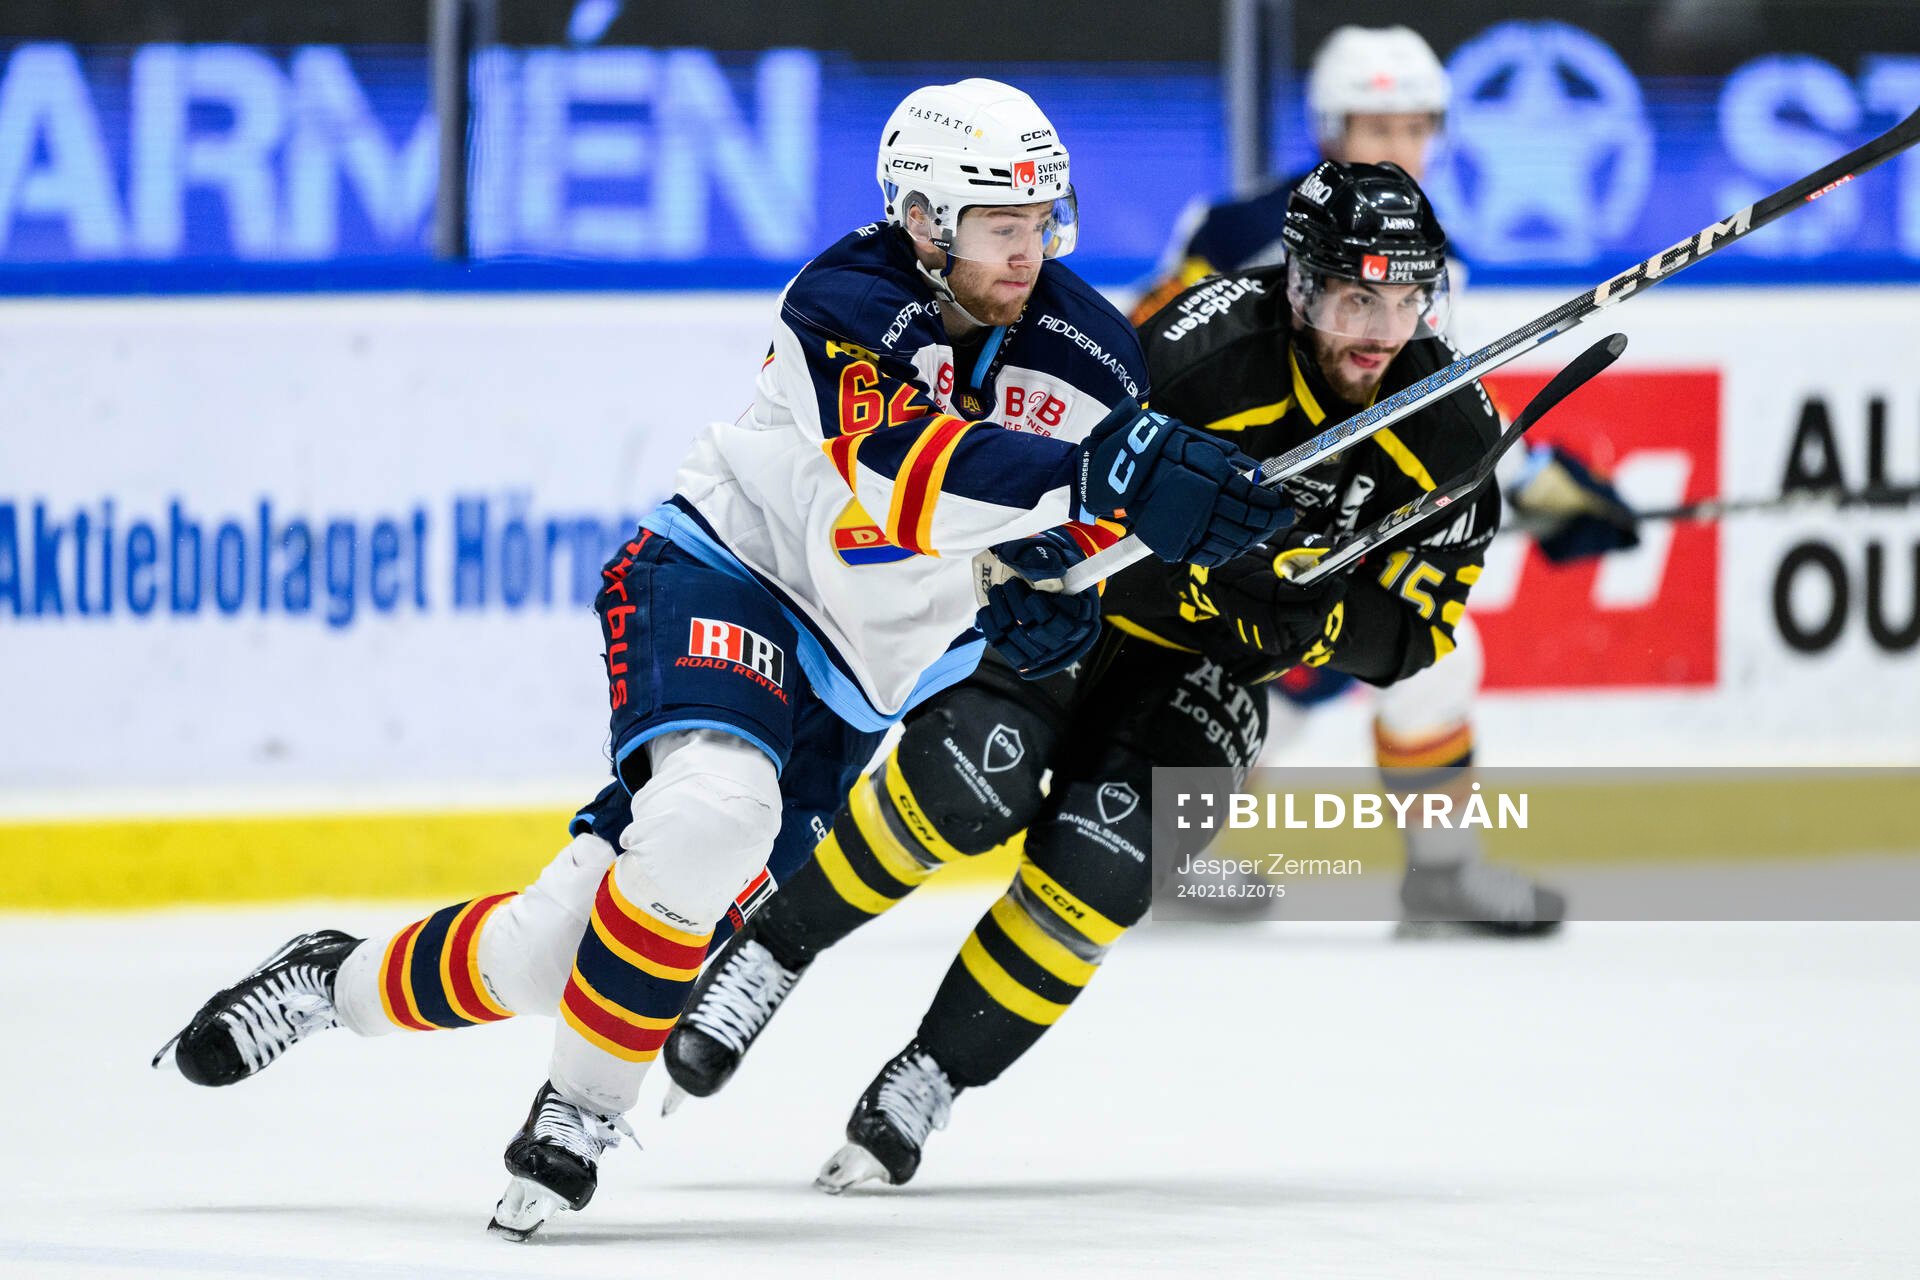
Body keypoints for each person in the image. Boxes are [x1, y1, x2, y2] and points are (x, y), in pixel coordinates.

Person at [151, 78, 1291, 1241]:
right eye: (1004, 224)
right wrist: (1100, 481)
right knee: (715, 816)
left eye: (1046, 219)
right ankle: (579, 1113)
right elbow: (906, 480)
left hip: (852, 686)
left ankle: (329, 982)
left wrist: (1073, 577)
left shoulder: (1091, 351)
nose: (1031, 248)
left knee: (553, 949)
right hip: (723, 572)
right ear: (923, 222)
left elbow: (1053, 545)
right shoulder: (844, 300)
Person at [661, 160, 1524, 1193]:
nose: (1379, 330)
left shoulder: (1451, 435)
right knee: (963, 779)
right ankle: (774, 948)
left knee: (1109, 861)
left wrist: (1317, 612)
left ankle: (930, 1074)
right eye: (1352, 296)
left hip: (1209, 672)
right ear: (1297, 287)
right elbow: (1054, 481)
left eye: (1403, 299)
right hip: (1088, 608)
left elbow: (1413, 636)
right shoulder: (1198, 356)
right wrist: (1065, 572)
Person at [1131, 25, 1635, 929]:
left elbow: (1432, 412)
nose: (1401, 148)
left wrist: (1534, 486)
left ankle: (1442, 872)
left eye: (1416, 127)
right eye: (1378, 126)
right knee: (1239, 695)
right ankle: (1154, 853)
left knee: (1432, 658)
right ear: (1330, 130)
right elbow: (1159, 373)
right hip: (1232, 525)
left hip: (1344, 521)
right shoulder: (1249, 232)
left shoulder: (1427, 249)